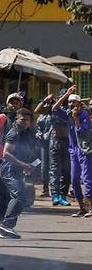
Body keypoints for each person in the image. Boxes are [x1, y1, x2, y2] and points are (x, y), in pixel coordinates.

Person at [0, 92, 23, 232]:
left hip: (13, 161)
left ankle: (1, 220)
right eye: (12, 101)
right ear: (7, 103)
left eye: (17, 102)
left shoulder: (20, 120)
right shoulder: (1, 118)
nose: (14, 104)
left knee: (8, 192)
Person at [0, 108, 37, 239]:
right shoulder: (14, 133)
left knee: (21, 197)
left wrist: (32, 165)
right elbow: (6, 154)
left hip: (17, 169)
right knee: (20, 195)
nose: (25, 122)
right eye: (22, 119)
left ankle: (6, 228)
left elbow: (32, 153)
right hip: (9, 169)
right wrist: (23, 164)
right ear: (16, 120)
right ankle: (6, 224)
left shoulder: (27, 133)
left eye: (28, 120)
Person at [53, 86, 92, 217]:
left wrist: (76, 119)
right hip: (73, 150)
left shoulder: (83, 114)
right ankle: (82, 207)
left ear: (79, 104)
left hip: (85, 150)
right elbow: (54, 109)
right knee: (74, 179)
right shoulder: (68, 114)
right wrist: (66, 95)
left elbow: (82, 131)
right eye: (69, 102)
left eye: (73, 102)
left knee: (86, 179)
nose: (71, 104)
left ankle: (91, 207)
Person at [36, 92, 71, 207]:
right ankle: (55, 195)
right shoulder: (53, 109)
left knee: (66, 171)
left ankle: (63, 195)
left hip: (68, 142)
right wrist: (45, 100)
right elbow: (37, 111)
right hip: (55, 141)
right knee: (54, 169)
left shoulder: (69, 109)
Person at [34, 96, 53, 197]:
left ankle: (55, 189)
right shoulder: (41, 116)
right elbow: (36, 111)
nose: (47, 106)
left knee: (53, 166)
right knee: (43, 166)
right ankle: (45, 188)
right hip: (43, 143)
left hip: (53, 142)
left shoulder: (54, 114)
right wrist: (38, 133)